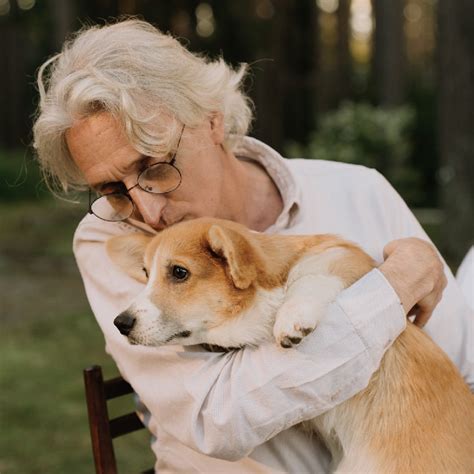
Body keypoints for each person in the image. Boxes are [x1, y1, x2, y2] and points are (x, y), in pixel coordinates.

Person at [33, 20, 473, 473]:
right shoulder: (108, 236)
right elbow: (219, 417)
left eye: (155, 165)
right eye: (111, 188)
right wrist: (389, 290)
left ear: (211, 120)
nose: (145, 210)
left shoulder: (359, 191)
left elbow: (462, 366)